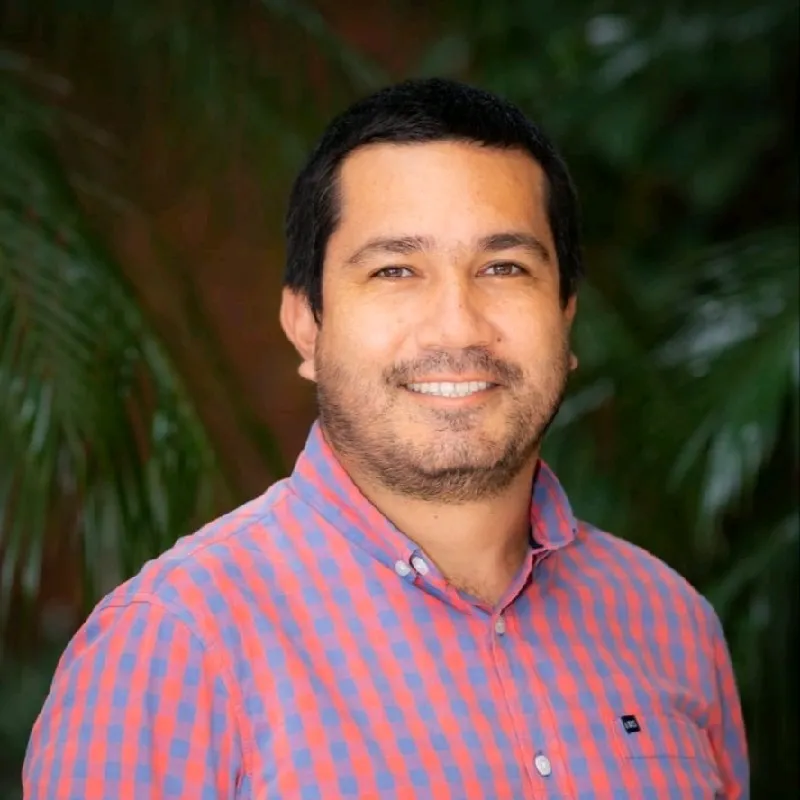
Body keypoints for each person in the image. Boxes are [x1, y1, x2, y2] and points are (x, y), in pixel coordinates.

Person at [23, 78, 749, 799]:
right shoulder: (172, 651)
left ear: (565, 316)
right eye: (395, 270)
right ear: (306, 325)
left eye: (504, 267)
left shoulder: (667, 621)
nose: (457, 327)